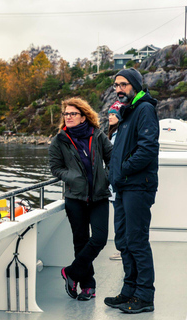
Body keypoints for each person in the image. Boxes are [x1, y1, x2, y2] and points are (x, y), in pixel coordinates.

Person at [105, 68, 159, 314]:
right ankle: (129, 290)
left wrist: (124, 169)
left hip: (138, 185)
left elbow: (147, 149)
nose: (119, 89)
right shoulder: (127, 112)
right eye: (116, 85)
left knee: (136, 241)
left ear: (135, 86)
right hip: (124, 186)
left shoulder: (144, 109)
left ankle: (144, 295)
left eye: (124, 84)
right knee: (123, 240)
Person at [49, 97, 112, 301]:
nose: (68, 117)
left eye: (72, 114)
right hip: (75, 198)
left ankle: (71, 273)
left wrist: (106, 178)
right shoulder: (60, 140)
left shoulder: (98, 135)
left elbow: (112, 159)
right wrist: (73, 178)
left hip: (99, 195)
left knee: (100, 238)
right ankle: (88, 285)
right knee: (81, 241)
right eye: (66, 114)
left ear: (83, 116)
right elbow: (55, 168)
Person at [107, 101, 122, 261]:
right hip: (113, 185)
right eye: (109, 114)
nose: (110, 117)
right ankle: (122, 248)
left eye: (113, 114)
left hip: (116, 185)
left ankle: (122, 250)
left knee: (120, 218)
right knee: (119, 217)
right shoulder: (113, 134)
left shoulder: (119, 135)